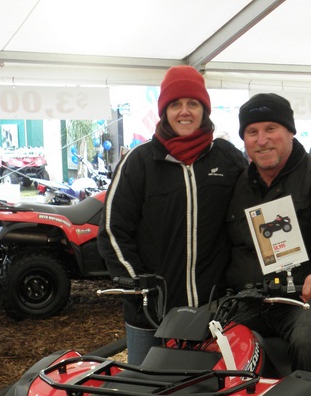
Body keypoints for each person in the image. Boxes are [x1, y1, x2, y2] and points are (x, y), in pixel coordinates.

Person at [98, 66, 247, 363]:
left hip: (215, 311)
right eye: (175, 104)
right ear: (164, 111)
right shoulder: (139, 161)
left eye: (193, 104)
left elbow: (251, 218)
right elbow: (113, 230)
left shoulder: (228, 159)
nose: (184, 112)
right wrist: (141, 287)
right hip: (151, 315)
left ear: (204, 110)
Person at [225, 93, 311, 389]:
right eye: (252, 132)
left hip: (309, 299)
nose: (262, 140)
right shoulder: (238, 187)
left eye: (271, 129)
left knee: (310, 340)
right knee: (202, 338)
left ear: (290, 131)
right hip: (253, 298)